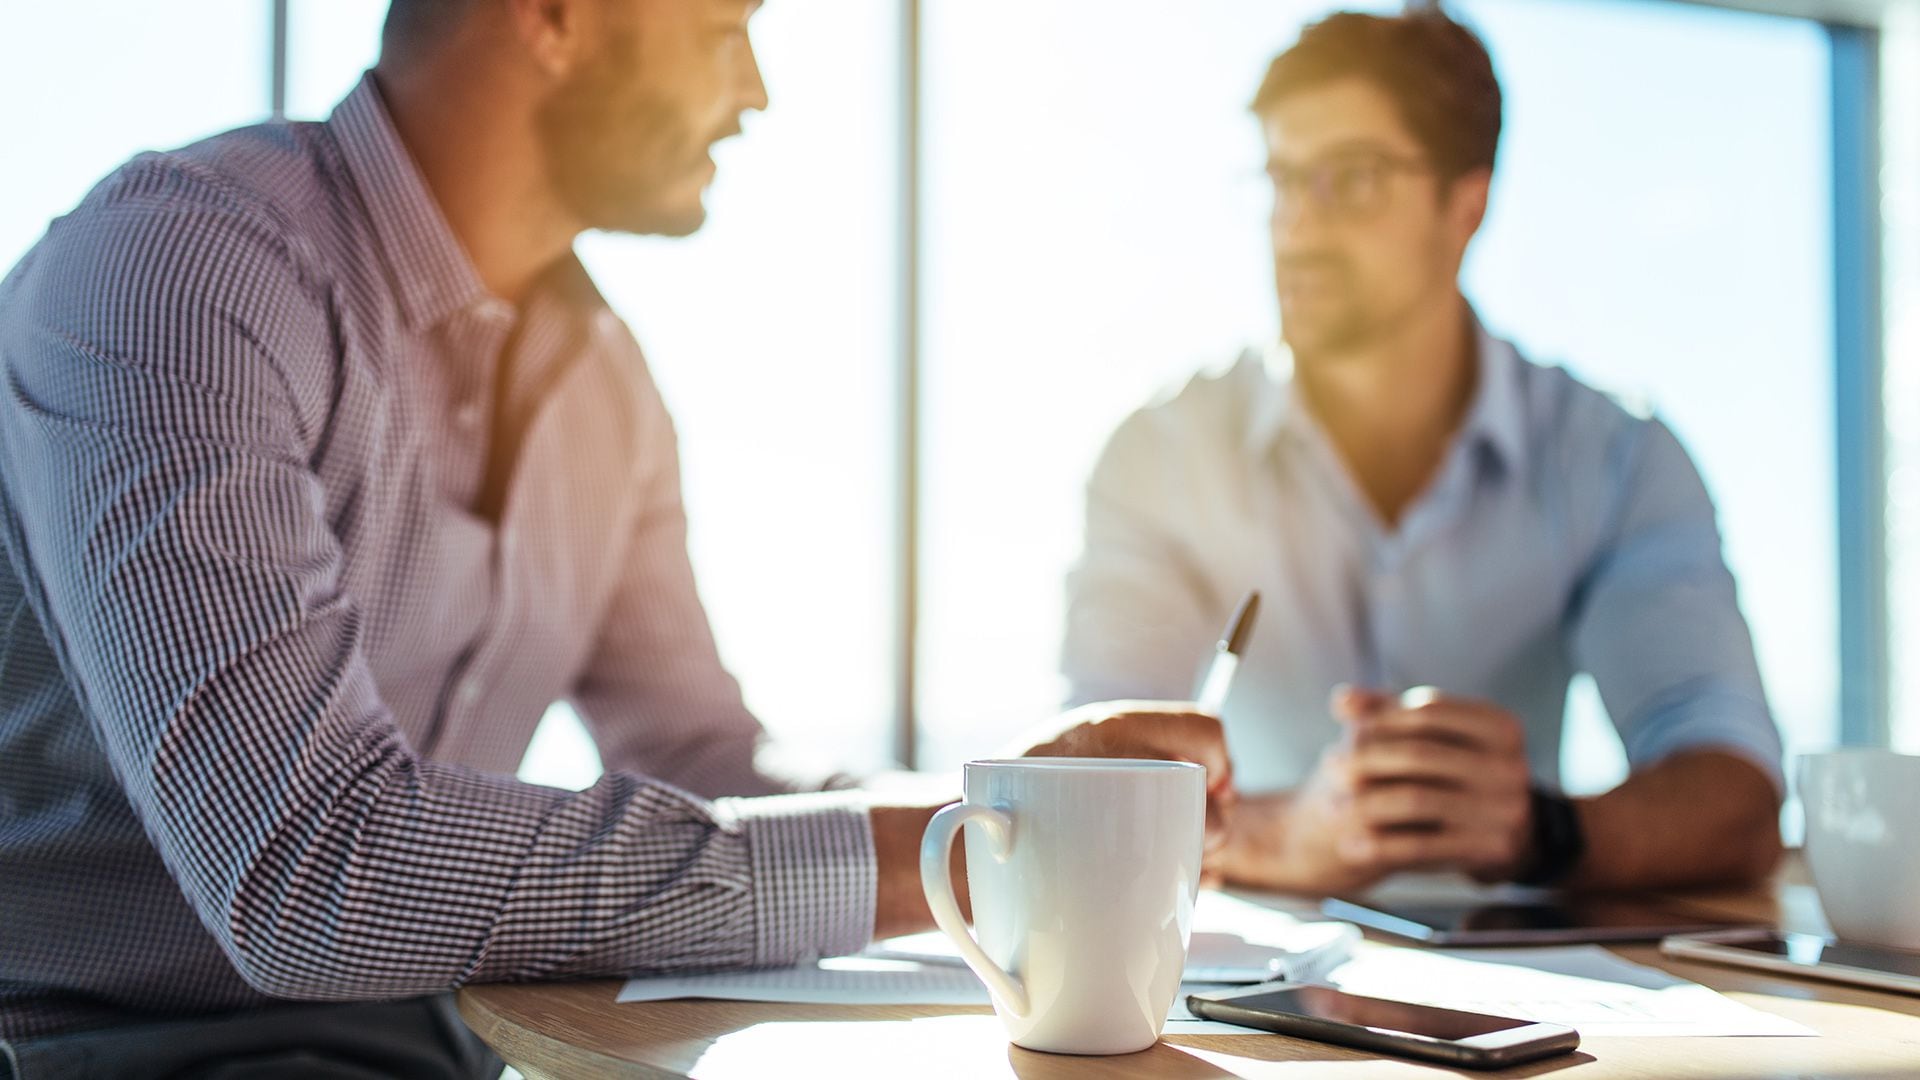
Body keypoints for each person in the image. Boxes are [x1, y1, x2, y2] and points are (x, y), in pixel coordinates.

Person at [0, 1, 1231, 1075]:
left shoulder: (606, 387)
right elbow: (311, 870)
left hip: (445, 1037)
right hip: (91, 1042)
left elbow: (704, 760)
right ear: (552, 12)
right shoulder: (179, 273)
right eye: (722, 26)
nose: (754, 88)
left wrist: (1010, 802)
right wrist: (962, 860)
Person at [1062, 10, 1782, 898]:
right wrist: (1287, 835)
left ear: (1466, 206)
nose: (1297, 227)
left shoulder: (1616, 458)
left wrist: (1543, 828)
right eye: (1283, 180)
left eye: (1353, 181)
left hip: (1544, 1002)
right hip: (1241, 992)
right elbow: (1080, 789)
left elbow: (1737, 793)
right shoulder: (1161, 459)